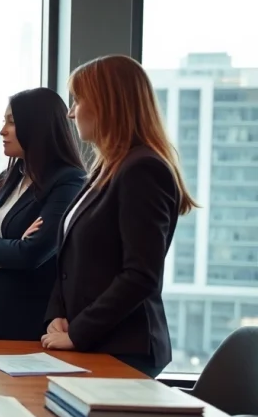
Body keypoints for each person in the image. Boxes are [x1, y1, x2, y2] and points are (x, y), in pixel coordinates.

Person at [42, 54, 197, 378]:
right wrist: (57, 315)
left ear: (106, 104)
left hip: (125, 348)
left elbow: (140, 275)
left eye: (78, 100)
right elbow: (71, 260)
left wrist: (78, 331)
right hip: (94, 344)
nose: (71, 112)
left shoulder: (143, 169)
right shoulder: (106, 168)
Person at [0, 88, 85, 340]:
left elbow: (32, 253)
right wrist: (8, 252)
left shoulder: (68, 182)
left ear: (37, 126)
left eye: (12, 122)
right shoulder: (7, 178)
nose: (2, 130)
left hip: (24, 321)